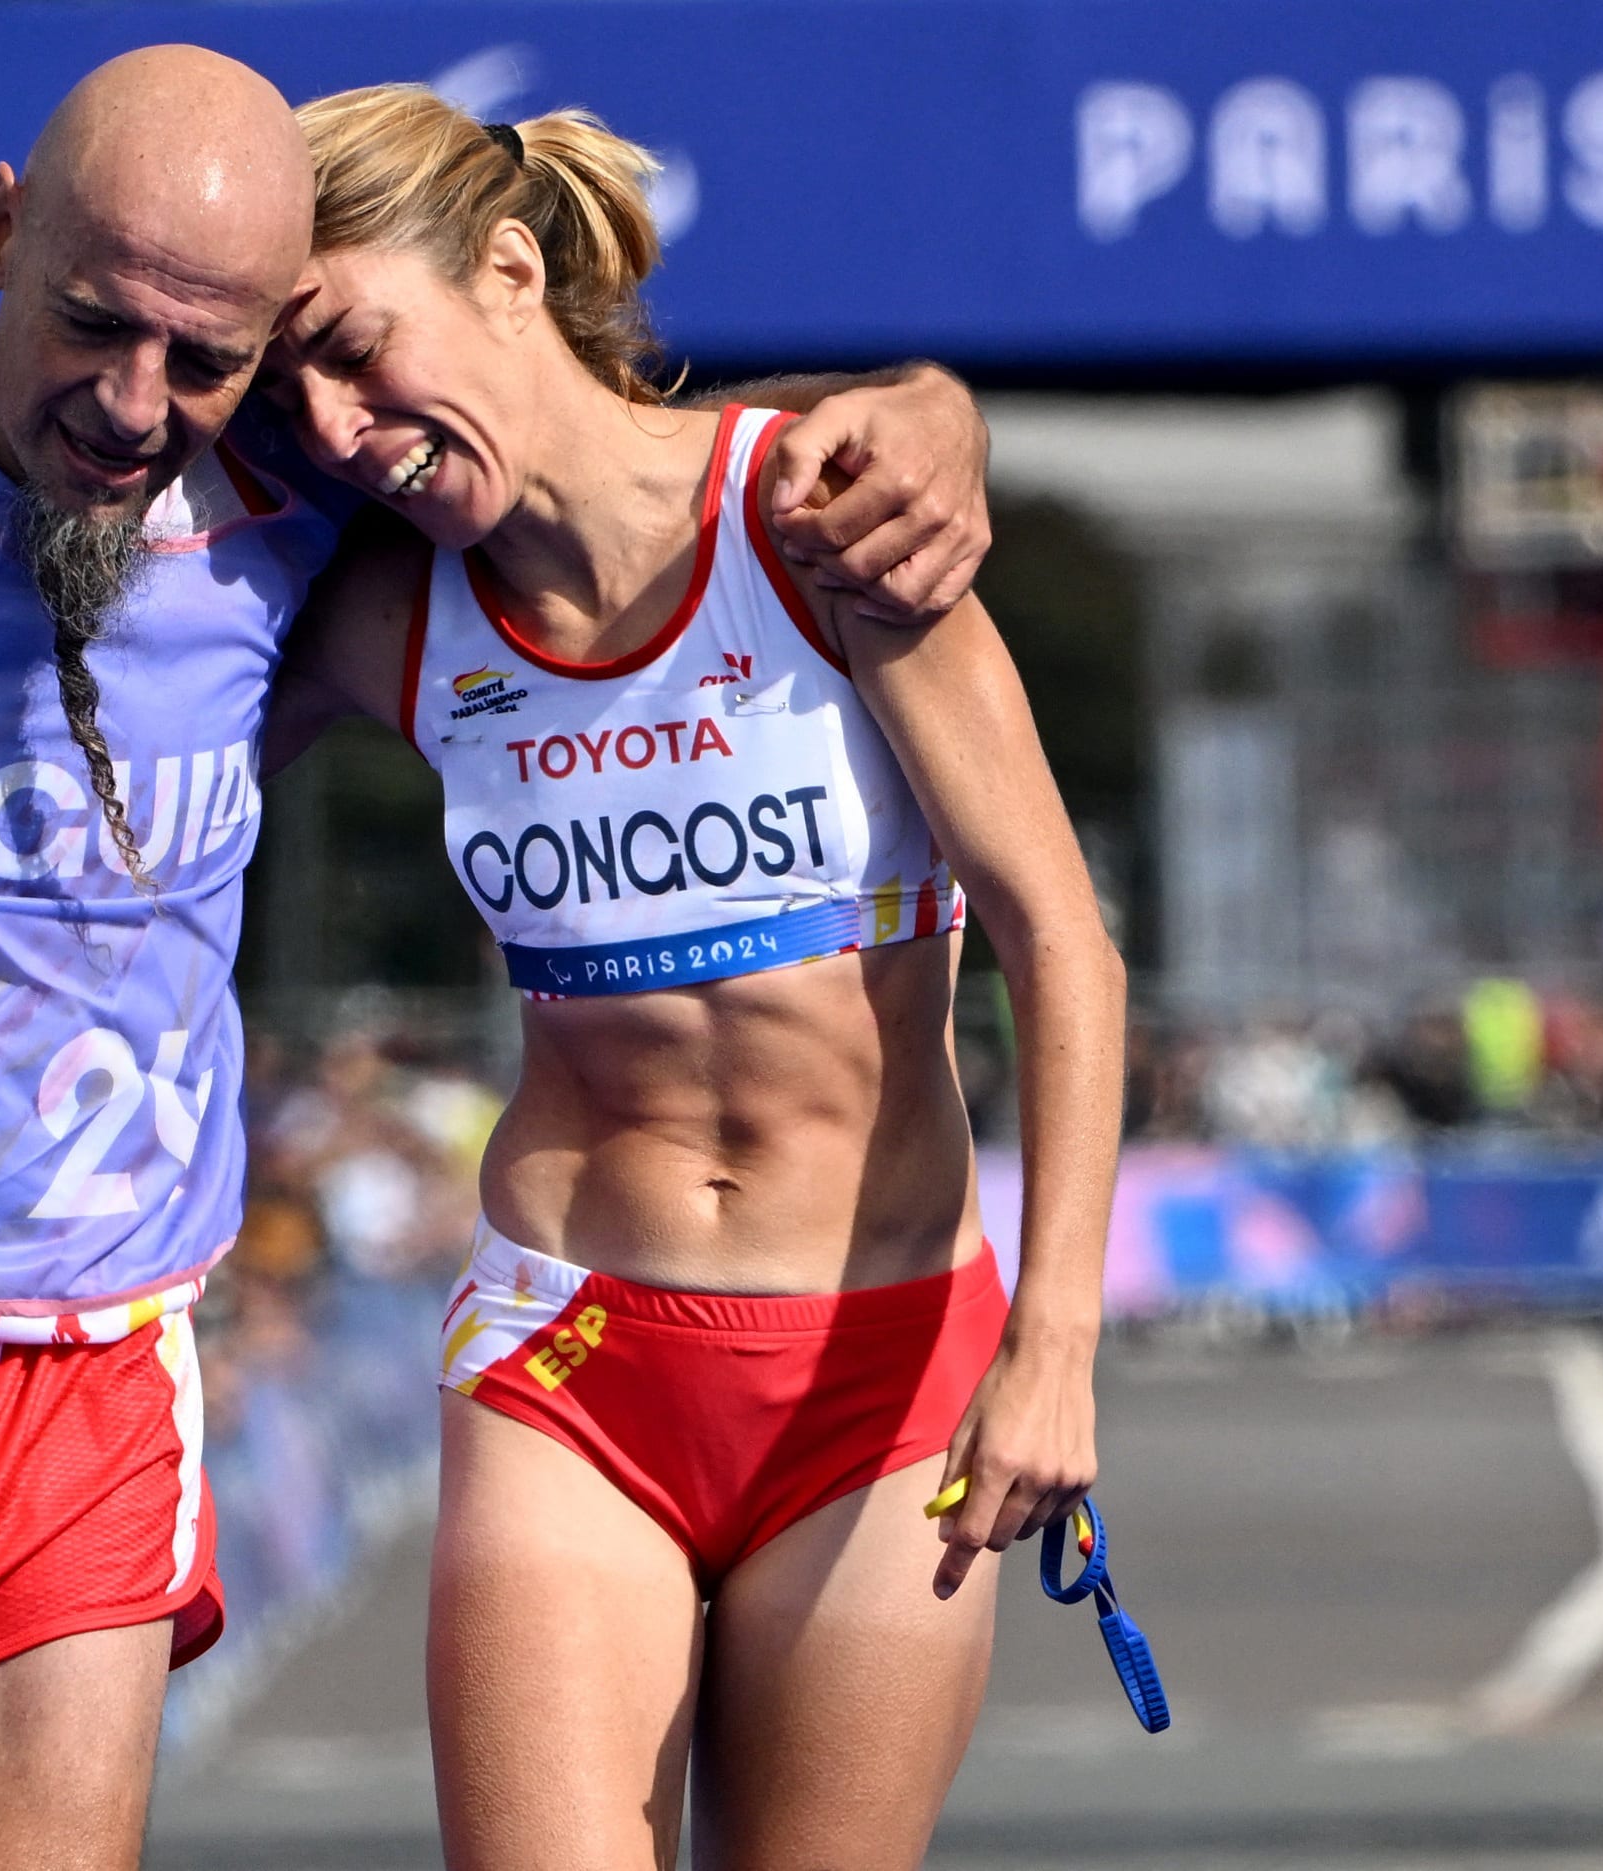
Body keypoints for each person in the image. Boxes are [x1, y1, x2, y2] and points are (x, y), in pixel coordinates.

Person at [0, 46, 996, 1871]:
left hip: (81, 1374)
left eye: (207, 359)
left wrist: (922, 412)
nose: (134, 403)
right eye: (93, 323)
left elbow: (612, 462)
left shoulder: (298, 507)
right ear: (2, 233)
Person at [262, 89, 1124, 1869]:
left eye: (353, 350)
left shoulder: (819, 525)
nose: (339, 432)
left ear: (511, 270)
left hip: (882, 1371)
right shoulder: (381, 613)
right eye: (296, 398)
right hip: (570, 1356)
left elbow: (1064, 943)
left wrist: (1056, 1350)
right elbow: (94, 744)